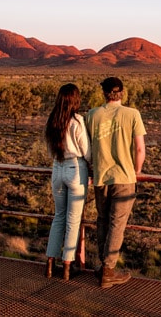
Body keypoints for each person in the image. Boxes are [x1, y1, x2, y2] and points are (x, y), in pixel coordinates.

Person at [85, 77, 146, 288]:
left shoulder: (92, 114)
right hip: (124, 178)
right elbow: (139, 149)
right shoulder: (132, 114)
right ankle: (109, 271)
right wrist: (136, 170)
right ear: (122, 93)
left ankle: (104, 267)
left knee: (102, 220)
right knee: (117, 224)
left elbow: (88, 148)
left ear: (104, 93)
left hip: (101, 177)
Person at [44, 83, 91, 281]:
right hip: (75, 169)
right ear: (75, 100)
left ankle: (49, 263)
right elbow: (86, 151)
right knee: (73, 220)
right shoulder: (77, 121)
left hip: (57, 168)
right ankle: (67, 266)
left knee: (59, 217)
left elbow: (49, 150)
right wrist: (92, 169)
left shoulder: (52, 120)